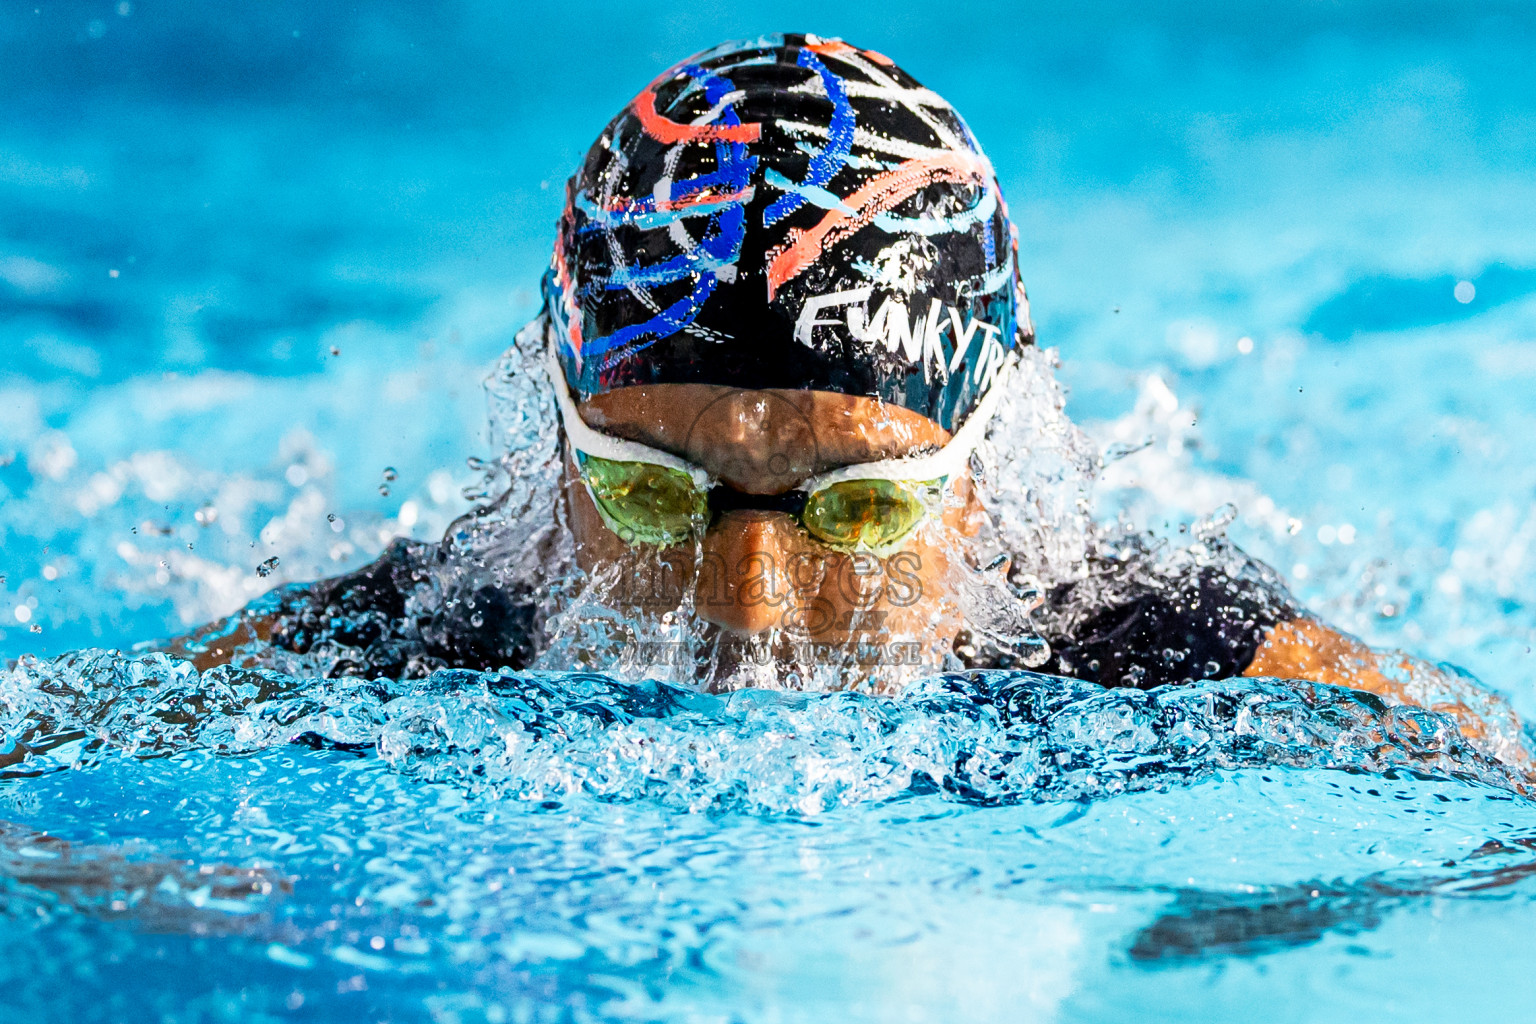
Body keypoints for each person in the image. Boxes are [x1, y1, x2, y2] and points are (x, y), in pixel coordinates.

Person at [163, 34, 1525, 762]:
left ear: (989, 465)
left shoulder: (1147, 653)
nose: (745, 607)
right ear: (555, 455)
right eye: (649, 493)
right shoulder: (450, 629)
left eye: (863, 507)